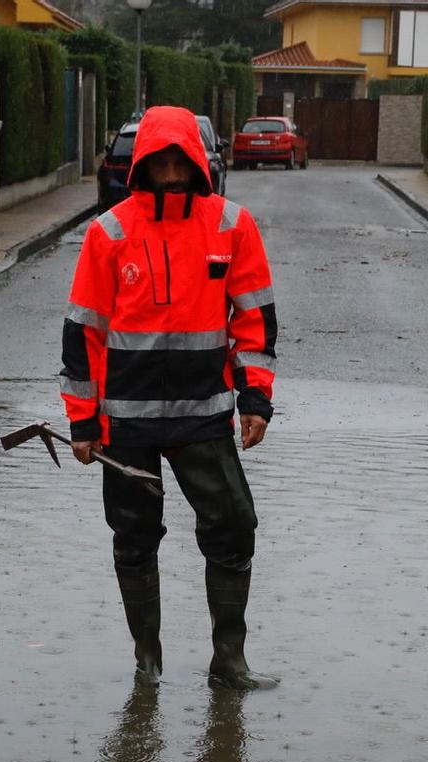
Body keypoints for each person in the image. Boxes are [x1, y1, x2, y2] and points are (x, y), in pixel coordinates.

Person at [59, 105, 280, 691]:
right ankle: (147, 662)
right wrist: (83, 424)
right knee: (134, 539)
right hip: (125, 427)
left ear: (199, 161)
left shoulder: (232, 225)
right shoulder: (108, 232)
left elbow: (254, 322)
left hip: (204, 418)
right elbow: (84, 331)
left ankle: (228, 661)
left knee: (234, 527)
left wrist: (255, 400)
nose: (173, 168)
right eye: (161, 158)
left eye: (182, 157)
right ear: (143, 163)